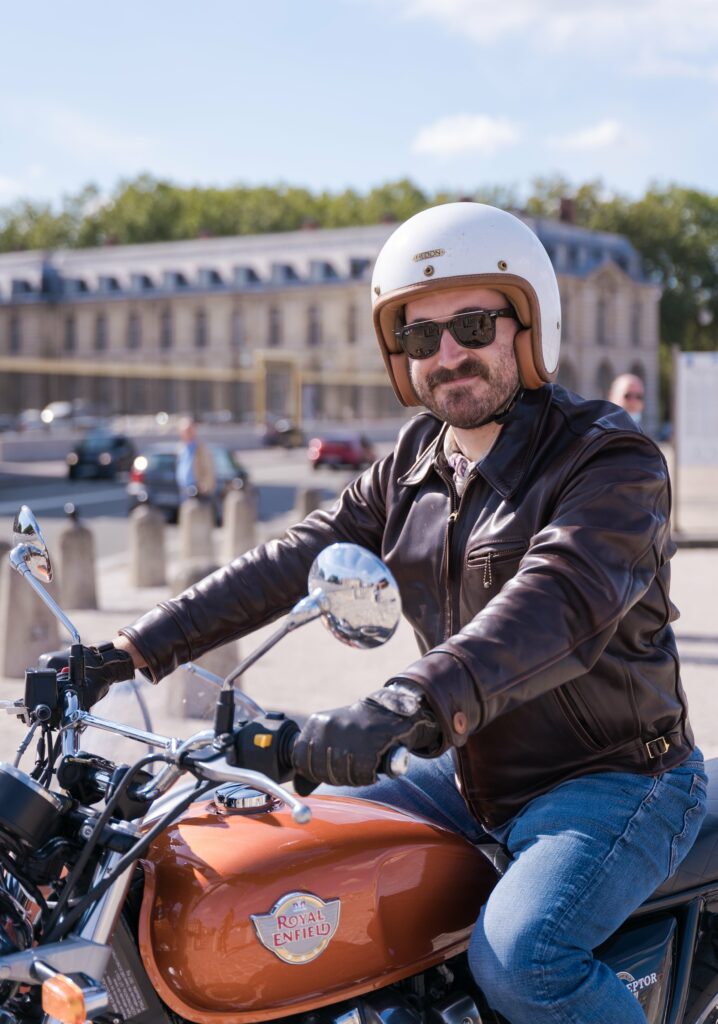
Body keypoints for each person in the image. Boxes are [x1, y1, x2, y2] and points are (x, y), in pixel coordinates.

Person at [84, 203, 705, 1024]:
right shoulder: (414, 463)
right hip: (471, 773)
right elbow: (290, 559)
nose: (448, 355)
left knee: (522, 960)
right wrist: (130, 649)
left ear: (527, 327)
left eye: (473, 325)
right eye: (421, 339)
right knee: (288, 859)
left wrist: (405, 702)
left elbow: (554, 602)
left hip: (618, 779)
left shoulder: (608, 457)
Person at [175, 416, 216, 503]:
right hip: (183, 489)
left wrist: (205, 487)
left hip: (197, 490)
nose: (187, 433)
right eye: (185, 431)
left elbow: (208, 469)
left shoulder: (200, 447)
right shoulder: (181, 447)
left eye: (189, 430)